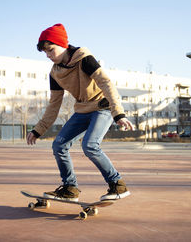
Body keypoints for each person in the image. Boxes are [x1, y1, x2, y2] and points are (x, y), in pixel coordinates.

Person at [26, 23, 134, 201]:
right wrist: (38, 129)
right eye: (45, 52)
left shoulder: (84, 58)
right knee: (59, 145)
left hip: (102, 107)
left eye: (51, 50)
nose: (48, 55)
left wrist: (118, 113)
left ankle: (117, 185)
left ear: (63, 45)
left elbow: (106, 83)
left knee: (90, 145)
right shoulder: (55, 73)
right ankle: (70, 189)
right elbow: (54, 104)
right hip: (83, 110)